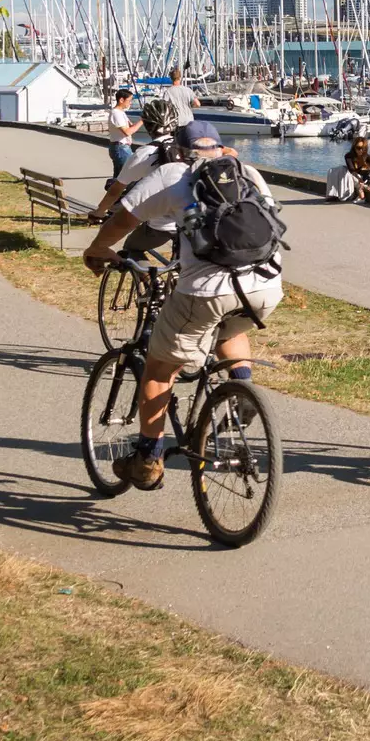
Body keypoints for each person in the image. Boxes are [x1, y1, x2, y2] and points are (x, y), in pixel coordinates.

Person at [82, 121, 286, 490]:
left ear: (178, 149)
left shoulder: (172, 174)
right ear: (221, 148)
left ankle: (148, 457)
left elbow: (123, 220)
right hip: (265, 285)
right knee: (230, 326)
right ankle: (243, 391)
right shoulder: (248, 172)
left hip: (208, 288)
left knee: (159, 371)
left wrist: (97, 249)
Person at [90, 98, 188, 262]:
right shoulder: (188, 148)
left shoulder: (145, 153)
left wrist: (99, 212)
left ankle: (153, 283)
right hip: (192, 220)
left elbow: (116, 189)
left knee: (131, 247)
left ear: (148, 126)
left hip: (162, 225)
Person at [325, 137, 370, 203]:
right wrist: (359, 179)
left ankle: (356, 196)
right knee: (334, 170)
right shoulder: (348, 156)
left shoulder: (367, 157)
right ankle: (333, 194)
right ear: (354, 147)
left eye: (363, 148)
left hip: (365, 178)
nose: (361, 150)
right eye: (358, 148)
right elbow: (352, 170)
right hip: (355, 175)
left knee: (348, 174)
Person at [104, 88, 139, 175]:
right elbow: (127, 132)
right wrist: (142, 121)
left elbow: (131, 127)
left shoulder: (121, 112)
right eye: (129, 100)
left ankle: (112, 188)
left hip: (121, 147)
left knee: (119, 175)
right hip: (120, 147)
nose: (130, 103)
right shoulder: (116, 113)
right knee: (125, 175)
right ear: (121, 100)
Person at [162, 66, 199, 131]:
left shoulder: (168, 92)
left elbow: (164, 108)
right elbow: (198, 104)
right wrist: (191, 106)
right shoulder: (188, 90)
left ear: (171, 78)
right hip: (189, 121)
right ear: (180, 77)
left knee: (178, 140)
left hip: (177, 123)